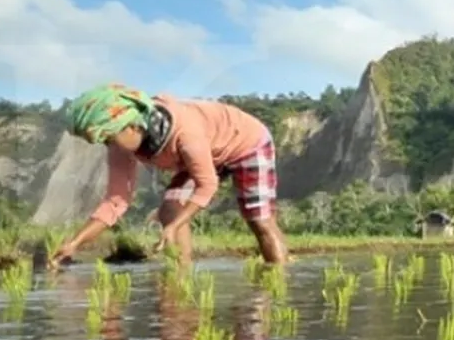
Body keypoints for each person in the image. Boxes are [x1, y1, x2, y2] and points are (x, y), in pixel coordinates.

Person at [49, 83, 288, 268]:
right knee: (170, 209)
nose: (108, 146)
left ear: (132, 127)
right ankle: (181, 274)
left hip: (246, 144)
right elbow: (115, 201)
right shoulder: (122, 144)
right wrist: (75, 244)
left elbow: (207, 185)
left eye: (109, 138)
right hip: (206, 152)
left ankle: (279, 280)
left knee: (259, 220)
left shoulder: (186, 133)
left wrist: (175, 226)